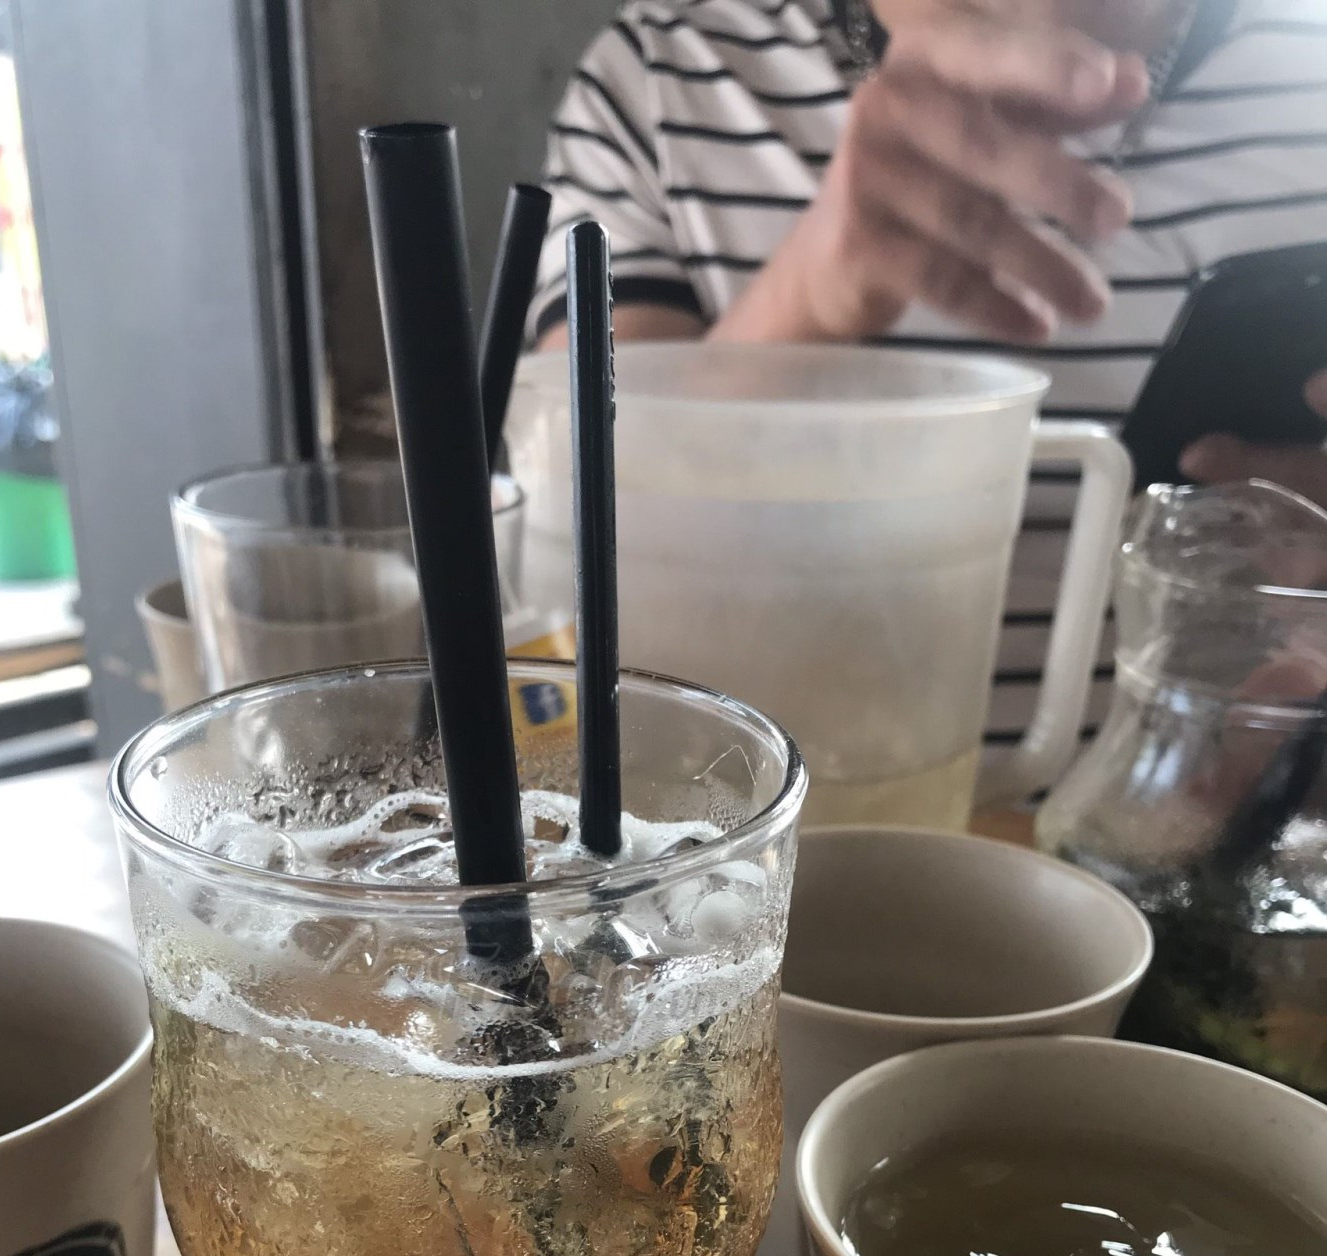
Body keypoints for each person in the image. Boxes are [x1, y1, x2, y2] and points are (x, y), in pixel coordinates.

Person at [532, 0, 1327, 759]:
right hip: (748, 830)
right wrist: (800, 301)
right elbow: (560, 558)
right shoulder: (658, 74)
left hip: (1203, 828)